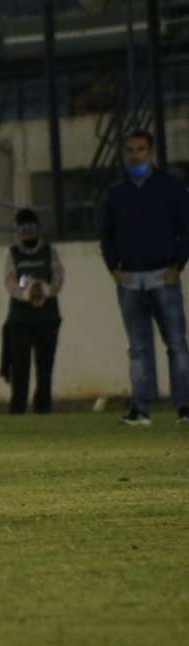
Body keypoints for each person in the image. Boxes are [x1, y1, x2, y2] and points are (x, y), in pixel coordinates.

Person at [98, 129, 189, 425]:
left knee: (176, 344)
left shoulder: (171, 188)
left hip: (164, 276)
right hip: (129, 280)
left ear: (151, 152)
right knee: (137, 348)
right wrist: (113, 268)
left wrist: (178, 265)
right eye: (130, 150)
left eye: (140, 149)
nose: (135, 155)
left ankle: (185, 406)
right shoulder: (115, 193)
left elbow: (186, 229)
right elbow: (106, 234)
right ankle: (140, 409)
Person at [2, 208, 64, 414]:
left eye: (31, 229)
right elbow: (10, 283)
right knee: (20, 367)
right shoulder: (13, 253)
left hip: (47, 317)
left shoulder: (49, 252)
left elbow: (58, 278)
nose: (27, 234)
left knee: (45, 367)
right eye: (23, 230)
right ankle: (18, 408)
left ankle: (43, 407)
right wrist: (27, 293)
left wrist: (43, 290)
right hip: (20, 319)